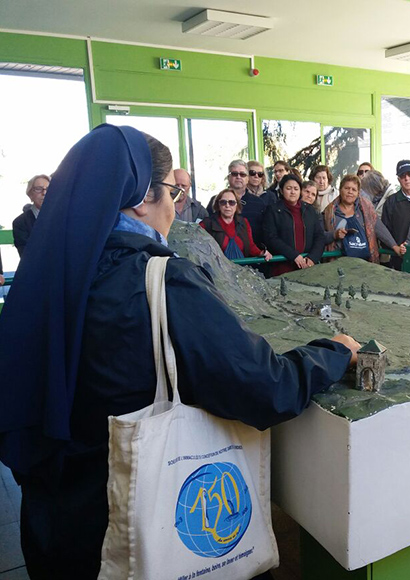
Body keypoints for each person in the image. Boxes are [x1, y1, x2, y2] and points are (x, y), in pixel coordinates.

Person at [0, 124, 359, 579]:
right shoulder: (162, 280)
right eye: (171, 190)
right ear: (140, 197)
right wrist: (332, 352)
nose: (175, 204)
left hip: (58, 530)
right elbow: (264, 385)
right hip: (143, 530)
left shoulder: (43, 282)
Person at [323, 174, 400, 264]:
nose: (350, 192)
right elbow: (321, 236)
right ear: (340, 190)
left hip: (365, 264)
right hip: (339, 263)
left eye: (354, 189)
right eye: (347, 188)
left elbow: (379, 228)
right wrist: (334, 234)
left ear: (358, 193)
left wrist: (395, 247)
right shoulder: (329, 212)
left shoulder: (366, 209)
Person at [262, 174, 325, 276]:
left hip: (307, 266)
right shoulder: (273, 210)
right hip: (282, 266)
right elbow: (271, 238)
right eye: (288, 188)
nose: (292, 192)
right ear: (282, 191)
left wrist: (313, 257)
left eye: (296, 188)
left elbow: (319, 236)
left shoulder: (309, 210)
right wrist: (293, 255)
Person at [208, 160, 271, 246]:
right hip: (222, 254)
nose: (238, 177)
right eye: (234, 174)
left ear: (247, 178)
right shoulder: (216, 200)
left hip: (252, 255)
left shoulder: (259, 203)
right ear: (228, 177)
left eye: (242, 174)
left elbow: (266, 231)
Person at [200, 189, 271, 261]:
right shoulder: (206, 224)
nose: (227, 205)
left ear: (237, 205)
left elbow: (250, 246)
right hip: (217, 270)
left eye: (232, 202)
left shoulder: (244, 222)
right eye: (223, 202)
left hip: (240, 269)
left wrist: (261, 253)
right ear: (218, 205)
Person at [381, 160, 410, 269]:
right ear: (398, 179)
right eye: (403, 176)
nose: (407, 178)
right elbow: (385, 232)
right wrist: (396, 247)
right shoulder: (391, 202)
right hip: (400, 260)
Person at [12, 174, 49, 257]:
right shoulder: (20, 223)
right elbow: (26, 255)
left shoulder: (63, 218)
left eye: (48, 189)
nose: (44, 193)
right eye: (38, 189)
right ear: (30, 194)